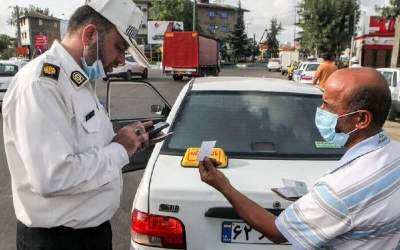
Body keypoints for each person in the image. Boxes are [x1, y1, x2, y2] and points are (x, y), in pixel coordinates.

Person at [3, 0, 155, 249]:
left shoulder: (78, 81)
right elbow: (53, 177)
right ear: (90, 34)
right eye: (119, 47)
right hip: (58, 241)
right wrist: (119, 150)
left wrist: (125, 139)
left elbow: (86, 146)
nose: (120, 60)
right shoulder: (42, 84)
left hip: (90, 235)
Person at [199, 68, 400, 249]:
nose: (320, 110)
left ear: (361, 119)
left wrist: (223, 185)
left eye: (328, 106)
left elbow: (276, 233)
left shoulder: (340, 189)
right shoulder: (395, 154)